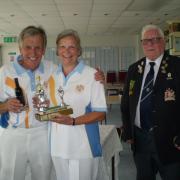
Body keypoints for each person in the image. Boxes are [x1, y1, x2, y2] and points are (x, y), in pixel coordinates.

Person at [0, 26, 105, 180]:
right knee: (10, 175)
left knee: (44, 176)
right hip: (14, 133)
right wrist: (5, 106)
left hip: (43, 133)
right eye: (28, 47)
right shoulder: (4, 72)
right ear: (20, 48)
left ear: (44, 50)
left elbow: (70, 84)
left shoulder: (53, 69)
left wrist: (100, 78)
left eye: (38, 48)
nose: (33, 53)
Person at [46, 29, 107, 180]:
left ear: (79, 51)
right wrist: (42, 105)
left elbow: (100, 113)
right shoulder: (52, 76)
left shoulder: (92, 75)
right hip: (57, 146)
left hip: (83, 147)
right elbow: (51, 106)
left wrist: (73, 121)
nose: (67, 51)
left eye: (71, 47)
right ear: (57, 51)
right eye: (62, 47)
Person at [121, 24, 180, 180]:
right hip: (140, 140)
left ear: (164, 42)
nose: (150, 44)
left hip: (170, 140)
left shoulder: (177, 66)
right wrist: (128, 131)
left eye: (155, 40)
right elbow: (126, 103)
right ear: (142, 44)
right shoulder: (134, 69)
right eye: (146, 41)